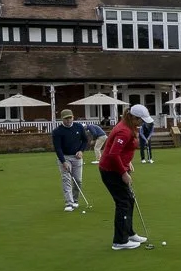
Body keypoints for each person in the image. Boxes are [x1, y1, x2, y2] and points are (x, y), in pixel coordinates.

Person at [98, 104, 151, 250]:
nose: (142, 123)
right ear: (134, 117)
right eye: (141, 120)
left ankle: (129, 233)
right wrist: (123, 172)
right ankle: (120, 241)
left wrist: (128, 163)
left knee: (129, 200)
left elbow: (123, 151)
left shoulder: (130, 126)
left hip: (117, 168)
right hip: (111, 171)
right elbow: (113, 154)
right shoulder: (123, 131)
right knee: (123, 203)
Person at [52, 109, 89, 211]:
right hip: (64, 157)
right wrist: (63, 161)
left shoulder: (79, 127)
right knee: (66, 179)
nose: (68, 120)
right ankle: (69, 203)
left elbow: (85, 141)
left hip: (77, 157)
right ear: (62, 119)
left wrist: (81, 151)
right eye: (66, 119)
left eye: (70, 118)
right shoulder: (57, 131)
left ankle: (75, 200)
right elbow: (57, 148)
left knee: (78, 180)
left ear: (73, 117)